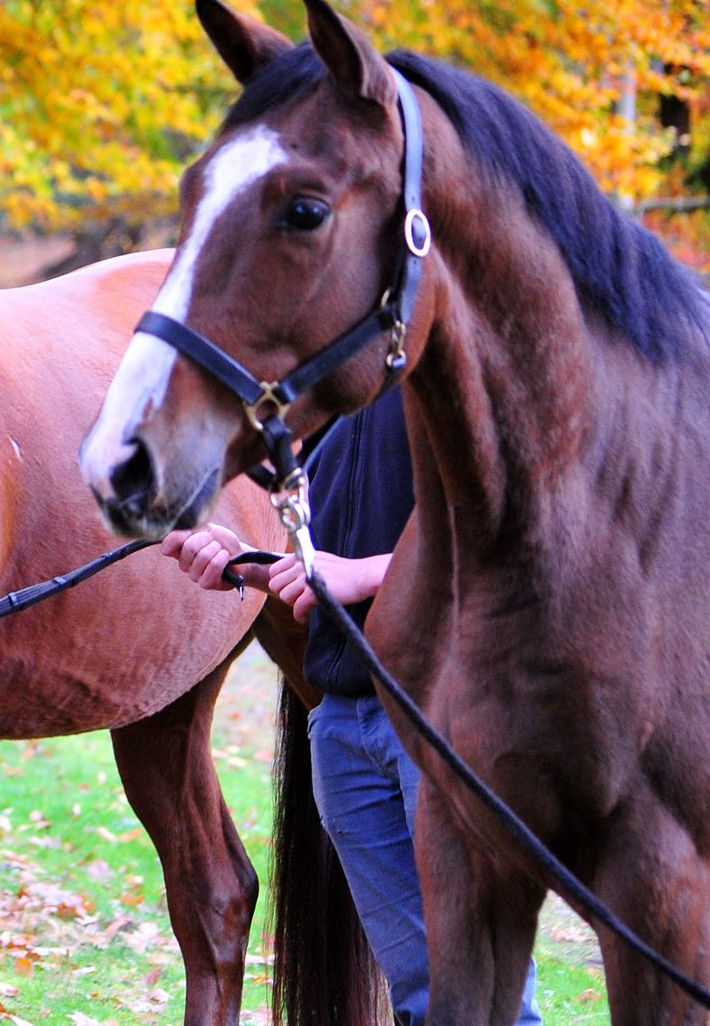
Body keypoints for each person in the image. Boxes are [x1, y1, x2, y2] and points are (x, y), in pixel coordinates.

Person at [162, 387, 541, 1026]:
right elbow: (324, 569)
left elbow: (519, 547)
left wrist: (365, 573)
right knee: (422, 997)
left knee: (487, 994)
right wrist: (249, 565)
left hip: (442, 720)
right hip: (342, 727)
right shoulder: (334, 410)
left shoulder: (460, 375)